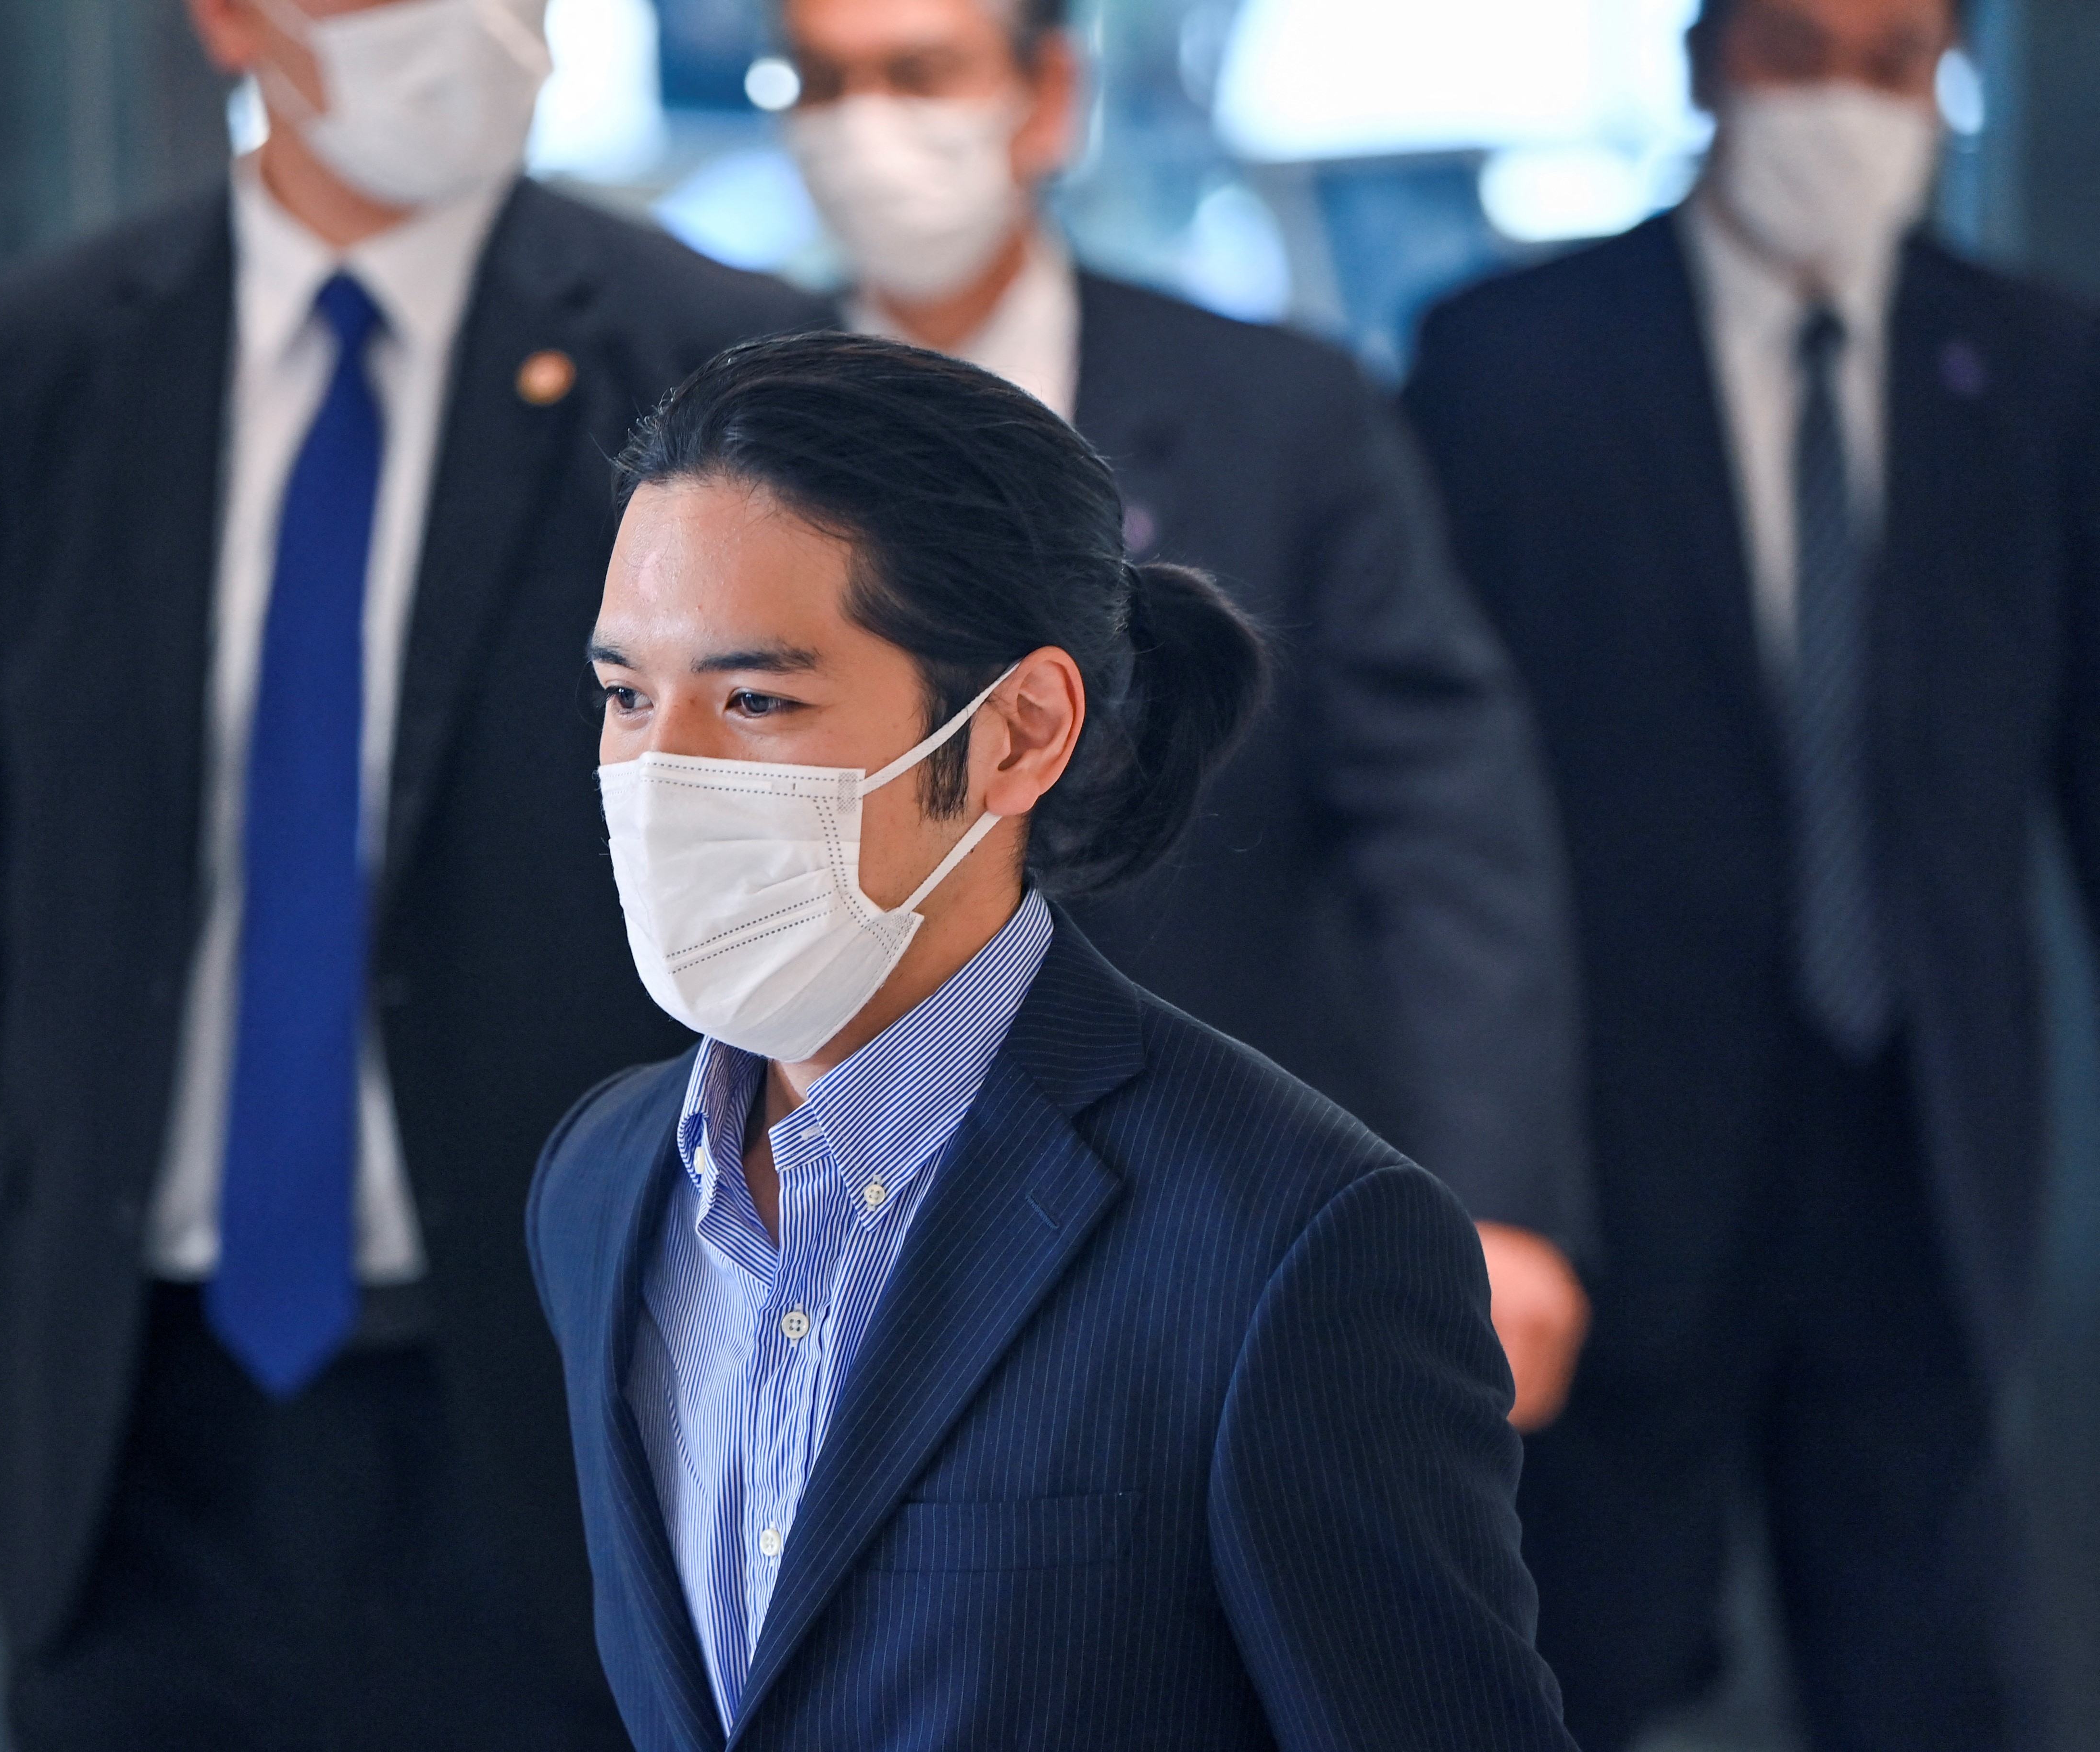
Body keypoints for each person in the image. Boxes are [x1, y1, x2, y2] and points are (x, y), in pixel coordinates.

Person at [0, 0, 825, 1745]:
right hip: (129, 1403)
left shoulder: (710, 354)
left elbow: (794, 902)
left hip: (552, 1387)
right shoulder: (44, 354)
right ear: (230, 19)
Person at [530, 329, 1577, 1750]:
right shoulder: (601, 1182)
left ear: (1019, 732)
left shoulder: (1292, 1243)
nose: (664, 773)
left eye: (758, 699)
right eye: (625, 696)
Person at [1401, 0, 2100, 1745]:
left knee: (1937, 1671)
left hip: (1921, 1141)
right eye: (1796, 49)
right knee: (1573, 1661)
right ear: (1703, 61)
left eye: (1888, 57)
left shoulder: (2032, 365)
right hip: (1612, 1151)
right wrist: (1468, 1149)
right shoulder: (1508, 362)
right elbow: (1434, 794)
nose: (1839, 103)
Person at [775, 0, 1594, 1429]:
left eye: (920, 73)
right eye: (827, 81)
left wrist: (1494, 1196)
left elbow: (1441, 820)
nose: (870, 128)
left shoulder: (1280, 410)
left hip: (1227, 1180)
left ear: (1044, 99)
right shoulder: (724, 412)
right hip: (833, 1218)